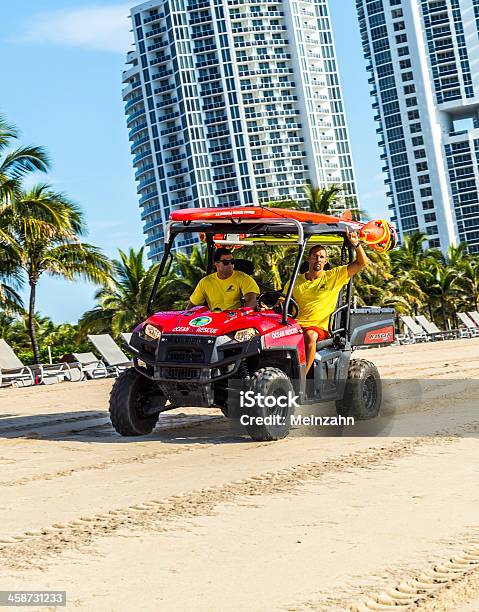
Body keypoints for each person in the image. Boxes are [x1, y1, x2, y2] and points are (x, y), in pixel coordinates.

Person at [284, 231, 368, 374]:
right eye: (315, 256)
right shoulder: (295, 281)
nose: (318, 259)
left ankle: (302, 379)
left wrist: (356, 244)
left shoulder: (333, 276)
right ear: (308, 259)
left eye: (321, 257)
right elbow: (282, 302)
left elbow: (362, 263)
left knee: (310, 336)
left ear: (326, 261)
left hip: (319, 327)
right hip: (296, 325)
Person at [187, 247, 260, 311]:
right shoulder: (204, 282)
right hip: (214, 320)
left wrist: (242, 315)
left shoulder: (243, 278)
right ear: (216, 264)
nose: (230, 265)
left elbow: (251, 300)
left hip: (236, 320)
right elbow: (192, 305)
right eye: (226, 262)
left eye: (232, 262)